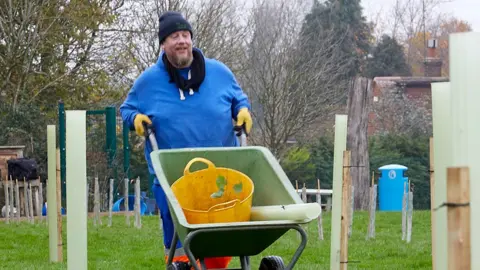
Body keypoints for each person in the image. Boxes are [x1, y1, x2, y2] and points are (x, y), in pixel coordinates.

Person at [119, 11, 253, 269]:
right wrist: (135, 119)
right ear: (163, 44)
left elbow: (239, 99)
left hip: (221, 172)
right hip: (173, 176)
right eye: (173, 36)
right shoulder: (149, 81)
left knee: (220, 238)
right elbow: (127, 109)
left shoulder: (219, 72)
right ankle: (182, 263)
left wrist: (243, 111)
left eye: (185, 35)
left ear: (191, 39)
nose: (181, 41)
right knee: (180, 238)